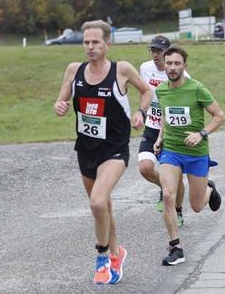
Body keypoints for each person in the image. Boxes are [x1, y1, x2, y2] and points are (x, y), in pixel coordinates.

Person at [53, 20, 153, 285]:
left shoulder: (121, 70)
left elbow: (147, 92)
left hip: (114, 149)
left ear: (108, 43)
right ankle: (117, 253)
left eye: (95, 42)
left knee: (97, 201)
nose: (90, 47)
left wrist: (140, 112)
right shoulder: (74, 70)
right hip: (86, 149)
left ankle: (101, 258)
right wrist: (60, 106)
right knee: (103, 206)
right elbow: (61, 99)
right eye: (86, 42)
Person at [153, 45, 225, 266]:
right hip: (172, 151)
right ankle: (176, 247)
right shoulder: (161, 90)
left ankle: (209, 189)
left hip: (196, 153)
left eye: (177, 63)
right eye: (169, 63)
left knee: (196, 206)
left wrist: (201, 134)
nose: (172, 67)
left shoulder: (197, 89)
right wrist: (160, 137)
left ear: (185, 65)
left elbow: (219, 115)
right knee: (167, 195)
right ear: (164, 65)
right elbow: (166, 114)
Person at [138, 35, 186, 225]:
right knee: (145, 168)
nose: (156, 55)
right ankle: (163, 186)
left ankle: (178, 210)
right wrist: (142, 111)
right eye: (153, 50)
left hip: (172, 131)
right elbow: (145, 92)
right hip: (152, 125)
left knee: (177, 176)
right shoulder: (145, 68)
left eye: (160, 51)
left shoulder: (181, 75)